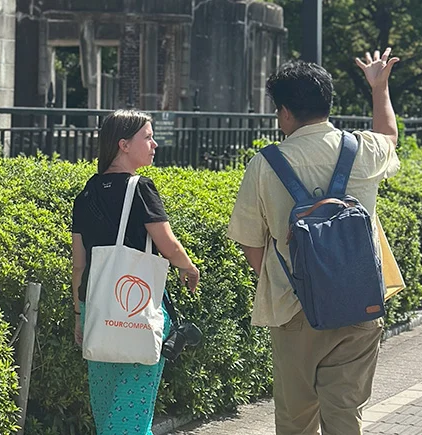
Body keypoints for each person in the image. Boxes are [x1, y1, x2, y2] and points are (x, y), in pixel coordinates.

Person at [227, 48, 401, 434]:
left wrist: (282, 279)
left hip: (294, 308)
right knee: (344, 413)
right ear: (327, 102)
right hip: (359, 303)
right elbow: (389, 135)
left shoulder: (265, 163)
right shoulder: (363, 150)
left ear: (285, 112)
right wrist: (379, 87)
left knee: (296, 419)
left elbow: (250, 241)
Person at [71, 110, 200, 435]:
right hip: (138, 311)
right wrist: (188, 266)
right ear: (124, 144)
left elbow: (79, 263)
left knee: (106, 406)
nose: (154, 144)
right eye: (147, 136)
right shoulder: (140, 188)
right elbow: (166, 244)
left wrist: (78, 314)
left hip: (95, 309)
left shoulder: (85, 194)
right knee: (132, 409)